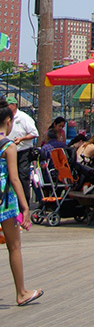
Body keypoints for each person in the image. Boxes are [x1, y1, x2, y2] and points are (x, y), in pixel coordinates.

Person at [0, 103, 43, 306]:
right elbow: (15, 179)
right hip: (5, 202)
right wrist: (25, 208)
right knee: (14, 246)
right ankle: (21, 292)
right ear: (8, 122)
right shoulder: (8, 146)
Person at [4, 94, 38, 205]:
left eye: (8, 105)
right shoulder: (5, 117)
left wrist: (22, 138)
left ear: (14, 106)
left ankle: (24, 203)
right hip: (7, 151)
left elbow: (34, 133)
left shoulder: (24, 118)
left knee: (22, 176)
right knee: (8, 176)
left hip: (23, 152)